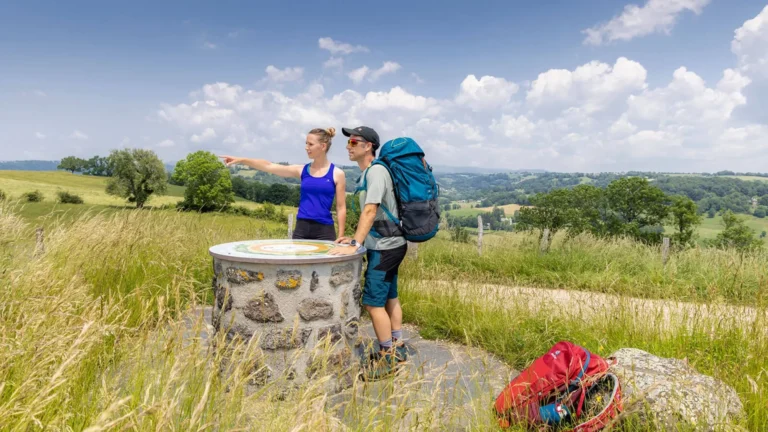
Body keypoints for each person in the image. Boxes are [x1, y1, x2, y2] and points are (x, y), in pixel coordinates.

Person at [329, 125, 408, 380]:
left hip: (384, 248)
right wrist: (355, 238)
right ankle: (397, 346)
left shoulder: (375, 172)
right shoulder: (370, 172)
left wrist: (356, 243)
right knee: (390, 297)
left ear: (369, 146)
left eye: (354, 142)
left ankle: (388, 359)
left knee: (373, 304)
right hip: (391, 244)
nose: (348, 146)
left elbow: (371, 210)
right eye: (348, 142)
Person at [219, 127, 346, 241]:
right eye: (306, 143)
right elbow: (269, 166)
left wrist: (340, 236)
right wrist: (241, 160)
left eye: (310, 144)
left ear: (323, 146)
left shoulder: (337, 174)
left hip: (325, 231)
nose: (306, 147)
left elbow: (341, 208)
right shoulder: (302, 170)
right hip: (301, 229)